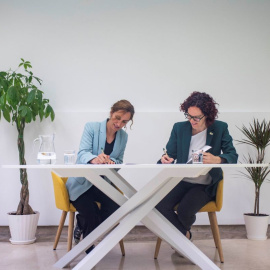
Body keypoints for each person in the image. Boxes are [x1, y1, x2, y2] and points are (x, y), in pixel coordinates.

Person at [156, 91, 238, 243]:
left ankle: (179, 240)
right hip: (181, 180)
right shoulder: (179, 128)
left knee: (184, 210)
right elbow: (169, 154)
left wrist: (217, 159)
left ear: (207, 115)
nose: (191, 120)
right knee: (158, 205)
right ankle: (185, 237)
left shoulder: (220, 128)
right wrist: (164, 159)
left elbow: (233, 156)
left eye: (196, 117)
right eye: (188, 115)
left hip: (204, 184)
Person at [66, 99, 135, 252]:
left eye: (124, 122)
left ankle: (82, 225)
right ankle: (89, 249)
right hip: (82, 184)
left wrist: (112, 162)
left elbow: (119, 161)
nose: (119, 124)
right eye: (117, 118)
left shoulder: (123, 137)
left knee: (117, 206)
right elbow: (83, 153)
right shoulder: (92, 127)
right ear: (111, 113)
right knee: (91, 212)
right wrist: (94, 159)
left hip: (103, 185)